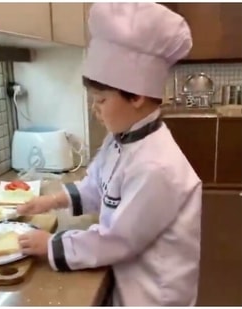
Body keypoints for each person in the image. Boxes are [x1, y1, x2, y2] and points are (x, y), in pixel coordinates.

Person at [16, 3, 202, 306]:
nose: (95, 109)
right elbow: (99, 186)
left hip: (154, 295)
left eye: (101, 100)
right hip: (129, 281)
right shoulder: (122, 140)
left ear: (137, 96)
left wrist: (50, 245)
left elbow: (118, 239)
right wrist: (51, 200)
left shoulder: (157, 166)